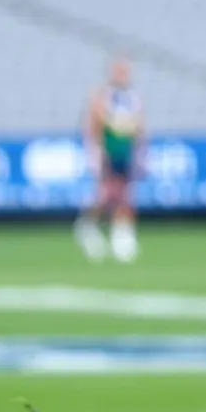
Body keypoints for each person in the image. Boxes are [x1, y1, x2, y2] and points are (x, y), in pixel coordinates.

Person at [76, 57, 144, 263]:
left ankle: (122, 238)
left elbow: (139, 125)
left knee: (125, 195)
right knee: (106, 195)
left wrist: (140, 149)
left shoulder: (132, 97)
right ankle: (88, 226)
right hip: (107, 151)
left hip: (125, 151)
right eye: (119, 71)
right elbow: (96, 123)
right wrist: (96, 151)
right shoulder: (103, 96)